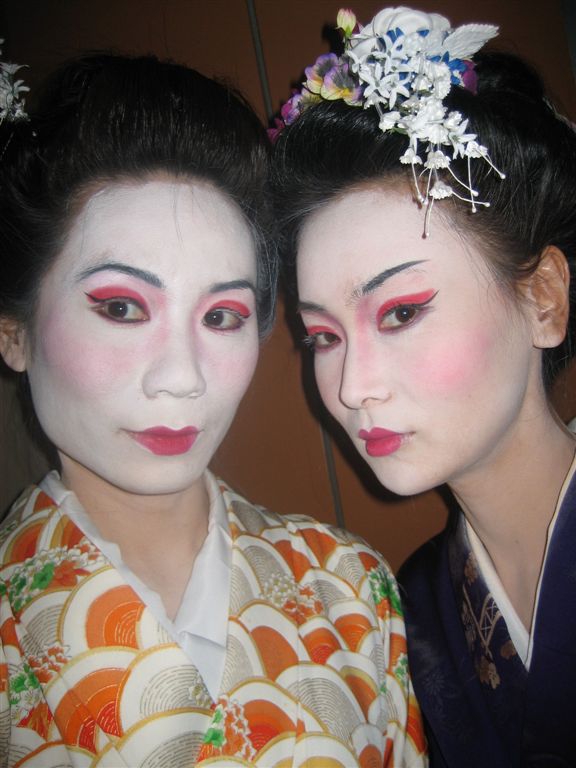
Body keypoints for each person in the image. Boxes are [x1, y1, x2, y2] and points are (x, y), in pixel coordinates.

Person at [0, 52, 426, 767]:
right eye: (121, 306)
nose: (181, 378)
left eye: (223, 316)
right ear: (14, 331)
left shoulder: (351, 589)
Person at [272, 5, 576, 767]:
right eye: (323, 336)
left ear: (543, 299)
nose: (350, 387)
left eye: (401, 312)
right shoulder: (412, 610)